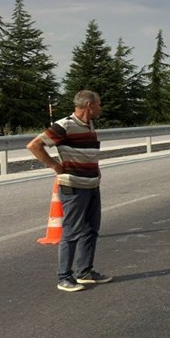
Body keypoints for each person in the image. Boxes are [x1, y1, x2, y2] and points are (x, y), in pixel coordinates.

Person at [26, 90, 112, 292]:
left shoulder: (89, 124)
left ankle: (85, 272)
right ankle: (64, 277)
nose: (101, 107)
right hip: (74, 187)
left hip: (91, 185)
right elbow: (34, 145)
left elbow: (88, 153)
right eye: (99, 104)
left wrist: (96, 171)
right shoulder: (64, 125)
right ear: (89, 105)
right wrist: (55, 166)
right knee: (72, 232)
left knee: (91, 230)